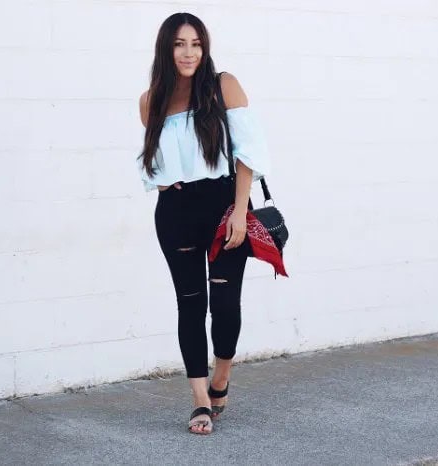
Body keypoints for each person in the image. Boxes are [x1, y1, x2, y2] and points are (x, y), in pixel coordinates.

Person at [137, 12, 270, 435]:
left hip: (223, 206)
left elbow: (249, 153)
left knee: (225, 306)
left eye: (195, 43)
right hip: (176, 214)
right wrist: (166, 188)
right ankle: (199, 403)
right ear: (166, 48)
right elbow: (157, 162)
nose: (188, 52)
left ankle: (221, 377)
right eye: (179, 44)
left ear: (204, 46)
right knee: (190, 306)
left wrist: (238, 209)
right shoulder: (151, 100)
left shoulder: (223, 85)